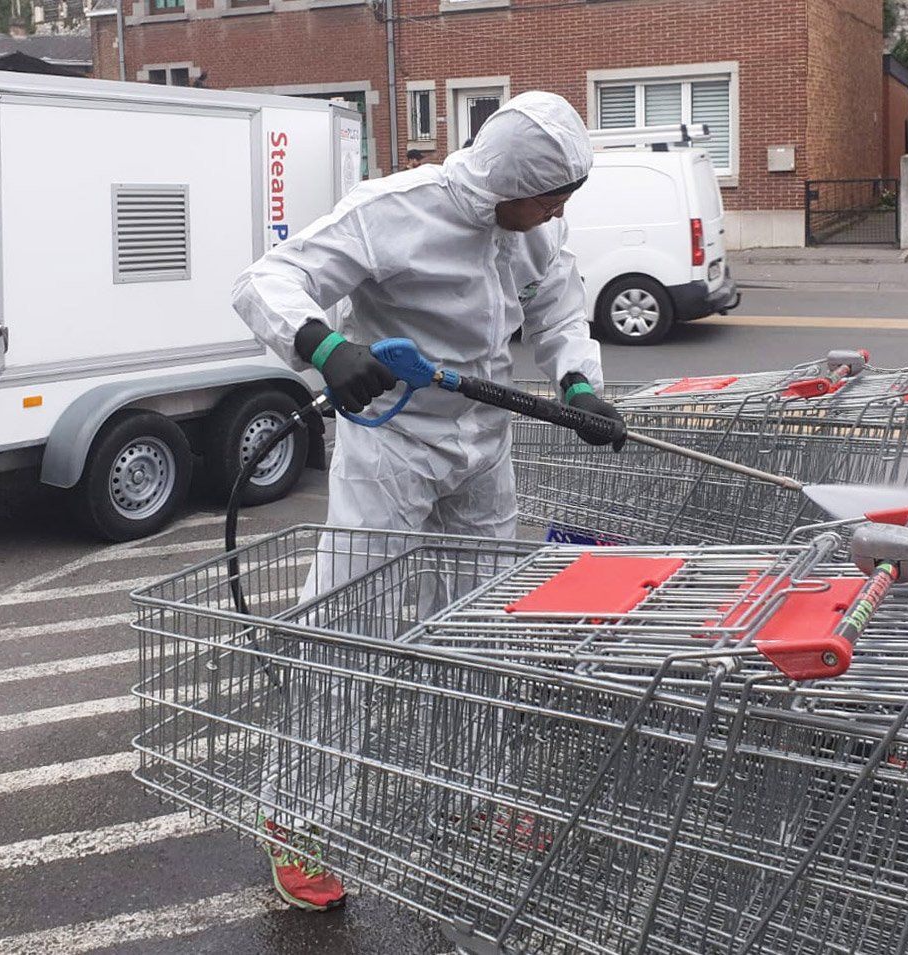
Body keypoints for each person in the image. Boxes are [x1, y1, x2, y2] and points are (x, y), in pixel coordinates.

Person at [231, 91, 624, 912]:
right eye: (552, 194)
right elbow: (271, 279)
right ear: (507, 181)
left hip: (483, 438)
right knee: (349, 626)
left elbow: (556, 303)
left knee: (480, 622)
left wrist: (580, 383)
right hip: (392, 442)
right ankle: (299, 816)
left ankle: (472, 790)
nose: (559, 211)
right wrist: (327, 347)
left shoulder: (532, 224)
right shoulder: (392, 213)